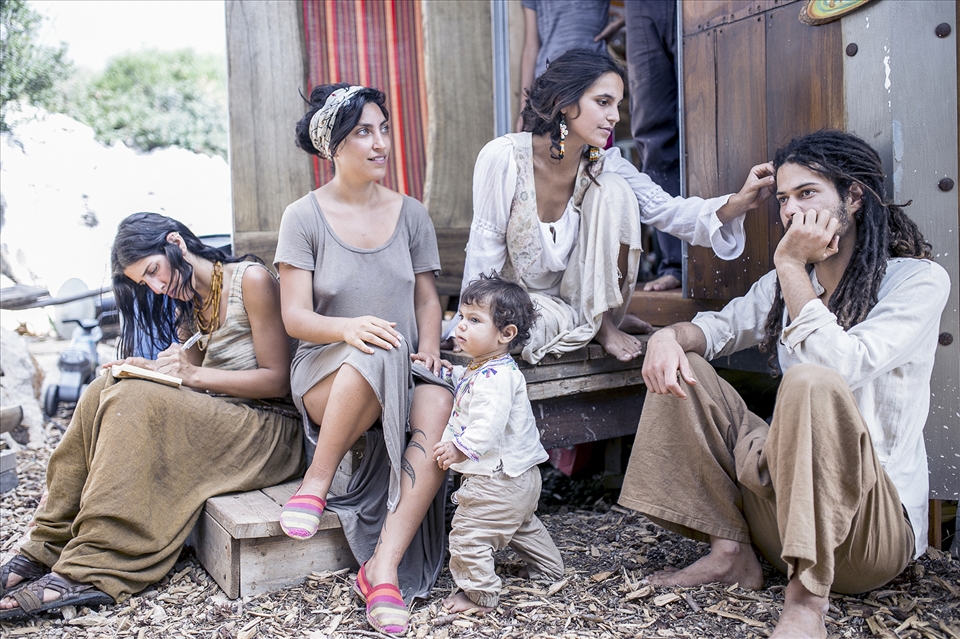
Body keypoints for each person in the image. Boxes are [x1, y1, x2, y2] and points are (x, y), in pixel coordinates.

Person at [618, 131, 951, 639]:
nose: (791, 211)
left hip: (867, 536)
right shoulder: (786, 281)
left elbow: (842, 366)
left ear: (853, 196)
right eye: (783, 199)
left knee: (811, 382)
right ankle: (730, 553)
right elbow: (719, 328)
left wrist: (791, 265)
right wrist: (668, 337)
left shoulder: (916, 281)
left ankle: (806, 604)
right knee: (687, 367)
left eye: (807, 193)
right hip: (779, 524)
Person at [0, 212, 304, 620]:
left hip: (272, 429)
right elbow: (193, 382)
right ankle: (46, 544)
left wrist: (189, 375)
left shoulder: (251, 280)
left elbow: (278, 380)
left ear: (175, 243)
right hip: (226, 417)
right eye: (146, 283)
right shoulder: (189, 301)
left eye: (154, 271)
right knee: (103, 387)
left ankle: (95, 562)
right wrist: (150, 370)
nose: (158, 287)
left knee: (135, 398)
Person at [274, 83, 453, 636]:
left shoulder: (411, 213)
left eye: (384, 130)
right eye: (363, 133)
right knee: (375, 348)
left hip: (402, 366)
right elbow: (295, 317)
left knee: (439, 401)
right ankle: (317, 481)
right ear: (333, 146)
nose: (381, 144)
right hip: (327, 373)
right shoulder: (302, 217)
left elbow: (427, 299)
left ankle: (383, 569)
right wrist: (349, 329)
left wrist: (430, 347)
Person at [464, 48, 774, 365]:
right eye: (603, 102)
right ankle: (592, 324)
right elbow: (484, 249)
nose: (614, 116)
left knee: (614, 188)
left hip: (577, 298)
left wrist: (739, 202)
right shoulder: (504, 157)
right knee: (526, 327)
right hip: (516, 301)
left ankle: (601, 320)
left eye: (618, 105)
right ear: (564, 102)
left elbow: (665, 210)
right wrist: (472, 320)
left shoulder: (604, 162)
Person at [433, 274, 563, 613]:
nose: (461, 325)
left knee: (469, 534)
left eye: (474, 320)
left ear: (506, 334)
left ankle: (479, 596)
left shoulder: (496, 377)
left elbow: (488, 423)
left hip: (497, 481)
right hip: (522, 479)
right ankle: (549, 570)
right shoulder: (490, 368)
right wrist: (445, 372)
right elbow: (468, 382)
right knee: (520, 525)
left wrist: (460, 447)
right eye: (461, 316)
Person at [624, 0, 685, 292]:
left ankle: (719, 260)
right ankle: (675, 264)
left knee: (708, 122)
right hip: (641, 7)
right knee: (653, 135)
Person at [516, 0, 611, 133]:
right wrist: (524, 109)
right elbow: (531, 47)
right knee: (551, 142)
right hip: (550, 84)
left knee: (596, 143)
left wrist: (623, 21)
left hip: (595, 78)